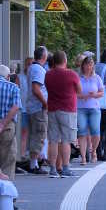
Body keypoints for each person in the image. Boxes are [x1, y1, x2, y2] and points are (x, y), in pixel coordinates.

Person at [45, 50, 82, 178]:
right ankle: (65, 168)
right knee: (66, 140)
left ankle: (52, 169)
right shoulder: (71, 74)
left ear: (54, 61)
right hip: (68, 109)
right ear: (65, 61)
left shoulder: (48, 75)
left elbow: (48, 88)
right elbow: (79, 90)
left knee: (53, 140)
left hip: (52, 109)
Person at [76, 54, 104, 165]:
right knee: (82, 132)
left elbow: (102, 92)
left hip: (94, 107)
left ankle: (94, 151)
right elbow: (74, 93)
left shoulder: (97, 78)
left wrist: (95, 94)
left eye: (91, 65)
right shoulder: (79, 78)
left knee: (95, 132)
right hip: (81, 108)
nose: (89, 67)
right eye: (87, 65)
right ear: (83, 66)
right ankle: (83, 157)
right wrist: (81, 96)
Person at [26, 46, 49, 174]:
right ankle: (34, 164)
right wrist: (45, 103)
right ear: (44, 57)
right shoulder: (39, 70)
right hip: (38, 107)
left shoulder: (31, 68)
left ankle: (35, 161)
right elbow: (36, 88)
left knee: (35, 134)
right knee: (39, 134)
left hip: (32, 107)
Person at [17, 55, 33, 163]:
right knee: (24, 132)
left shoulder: (35, 76)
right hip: (23, 108)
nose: (30, 66)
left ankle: (31, 154)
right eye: (28, 64)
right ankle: (22, 154)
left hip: (33, 108)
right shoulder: (20, 77)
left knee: (34, 132)